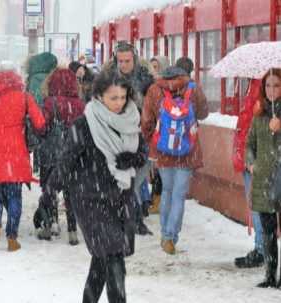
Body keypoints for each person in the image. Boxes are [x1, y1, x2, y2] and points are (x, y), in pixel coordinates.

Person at [49, 71, 145, 303]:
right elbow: (67, 159)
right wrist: (49, 192)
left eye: (123, 97)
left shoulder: (132, 120)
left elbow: (142, 152)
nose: (120, 102)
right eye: (114, 98)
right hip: (90, 199)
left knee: (103, 259)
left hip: (121, 198)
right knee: (113, 257)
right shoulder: (84, 124)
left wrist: (133, 159)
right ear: (100, 97)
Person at [0, 63, 45, 252]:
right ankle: (12, 237)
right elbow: (40, 121)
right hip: (15, 152)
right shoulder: (23, 95)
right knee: (14, 196)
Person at [142, 66, 209, 254]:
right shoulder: (192, 88)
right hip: (187, 149)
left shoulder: (155, 89)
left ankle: (165, 234)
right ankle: (171, 236)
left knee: (167, 192)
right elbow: (204, 113)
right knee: (179, 195)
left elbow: (146, 121)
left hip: (164, 150)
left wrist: (152, 142)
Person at [103, 42, 155, 235]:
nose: (123, 64)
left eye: (127, 60)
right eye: (120, 61)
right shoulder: (108, 78)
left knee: (136, 179)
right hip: (115, 135)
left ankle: (134, 218)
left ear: (134, 58)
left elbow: (154, 106)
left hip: (139, 135)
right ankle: (129, 219)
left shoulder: (146, 79)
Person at [35, 68, 85, 245]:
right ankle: (72, 231)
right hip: (73, 154)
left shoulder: (49, 103)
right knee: (71, 193)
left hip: (51, 153)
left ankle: (49, 225)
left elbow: (41, 127)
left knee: (49, 190)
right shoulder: (80, 104)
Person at [245, 68, 281, 288]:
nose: (272, 90)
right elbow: (250, 143)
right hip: (263, 180)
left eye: (276, 85)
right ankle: (270, 274)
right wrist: (251, 162)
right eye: (268, 85)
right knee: (267, 232)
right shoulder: (259, 115)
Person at [232, 79, 264, 268]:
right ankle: (261, 248)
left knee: (258, 207)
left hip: (256, 157)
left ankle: (262, 250)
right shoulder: (255, 86)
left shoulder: (261, 87)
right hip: (250, 154)